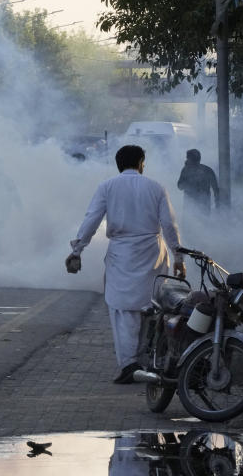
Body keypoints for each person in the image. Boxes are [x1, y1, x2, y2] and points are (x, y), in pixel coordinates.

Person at [67, 144, 184, 384]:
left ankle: (130, 364)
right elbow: (169, 225)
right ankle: (146, 361)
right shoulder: (156, 187)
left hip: (122, 254)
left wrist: (77, 250)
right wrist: (179, 258)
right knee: (151, 309)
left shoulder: (107, 187)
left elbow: (91, 220)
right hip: (154, 253)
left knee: (123, 311)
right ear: (141, 162)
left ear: (118, 164)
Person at [177, 149, 219, 216]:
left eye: (188, 158)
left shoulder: (186, 170)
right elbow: (216, 190)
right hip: (199, 208)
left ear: (191, 159)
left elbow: (180, 186)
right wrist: (218, 206)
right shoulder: (208, 170)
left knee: (194, 224)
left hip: (194, 208)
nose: (186, 160)